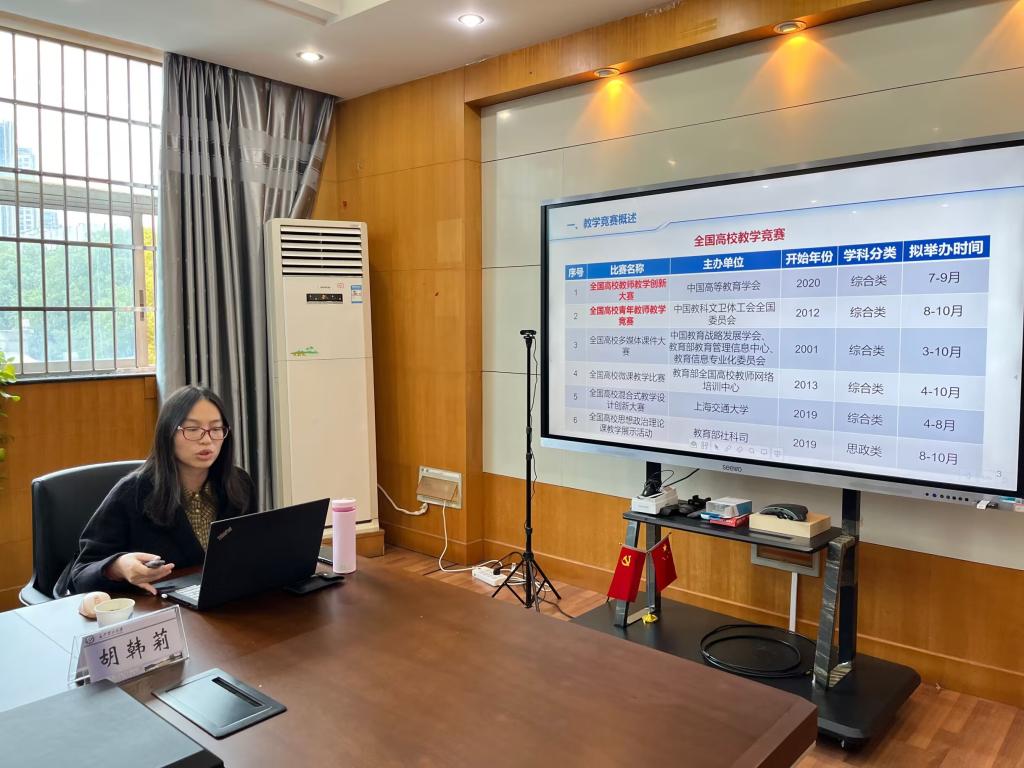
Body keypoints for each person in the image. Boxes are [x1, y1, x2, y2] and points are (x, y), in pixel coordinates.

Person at [56, 385, 257, 596]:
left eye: (216, 429)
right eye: (192, 429)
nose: (207, 439)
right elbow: (81, 573)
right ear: (168, 433)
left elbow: (250, 551)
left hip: (221, 599)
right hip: (156, 608)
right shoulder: (131, 492)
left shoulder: (239, 483)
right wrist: (118, 566)